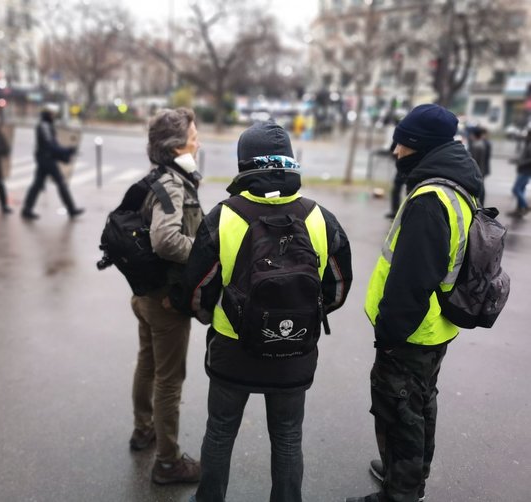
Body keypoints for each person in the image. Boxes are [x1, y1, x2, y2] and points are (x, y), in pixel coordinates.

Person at [176, 121, 352, 502]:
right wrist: (301, 317)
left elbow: (196, 289)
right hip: (294, 349)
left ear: (244, 165)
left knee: (220, 431)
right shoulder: (320, 217)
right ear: (289, 162)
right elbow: (337, 288)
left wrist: (211, 317)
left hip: (232, 348)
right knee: (288, 436)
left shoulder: (225, 217)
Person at [346, 104, 484, 502]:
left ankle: (400, 492)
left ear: (419, 146)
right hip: (435, 326)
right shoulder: (457, 184)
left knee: (399, 410)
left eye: (402, 143)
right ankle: (406, 472)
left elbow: (411, 281)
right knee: (421, 403)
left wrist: (389, 333)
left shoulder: (429, 199)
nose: (395, 150)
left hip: (411, 331)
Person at [129, 108, 204, 485]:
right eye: (194, 134)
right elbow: (165, 239)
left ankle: (144, 429)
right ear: (178, 145)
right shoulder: (174, 183)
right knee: (170, 379)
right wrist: (205, 252)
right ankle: (169, 462)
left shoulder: (159, 176)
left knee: (148, 364)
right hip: (165, 302)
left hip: (144, 296)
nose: (199, 139)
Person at [20, 103, 84, 220]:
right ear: (47, 114)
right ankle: (71, 209)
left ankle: (27, 209)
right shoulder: (44, 126)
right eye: (52, 114)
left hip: (46, 159)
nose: (53, 116)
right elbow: (50, 145)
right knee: (60, 183)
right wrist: (67, 150)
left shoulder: (46, 125)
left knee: (37, 185)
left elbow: (52, 145)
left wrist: (65, 152)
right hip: (47, 160)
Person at [508, 129, 531, 218]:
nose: (525, 137)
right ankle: (519, 210)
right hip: (523, 170)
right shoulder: (527, 143)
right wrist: (516, 160)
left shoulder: (529, 145)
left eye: (527, 135)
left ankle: (526, 206)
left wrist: (521, 162)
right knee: (521, 190)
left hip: (525, 171)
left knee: (516, 189)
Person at [469, 126, 491, 205]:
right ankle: (481, 203)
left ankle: (480, 204)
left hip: (478, 170)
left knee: (480, 188)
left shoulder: (476, 145)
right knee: (481, 187)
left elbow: (473, 159)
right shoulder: (481, 143)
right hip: (482, 169)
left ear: (474, 135)